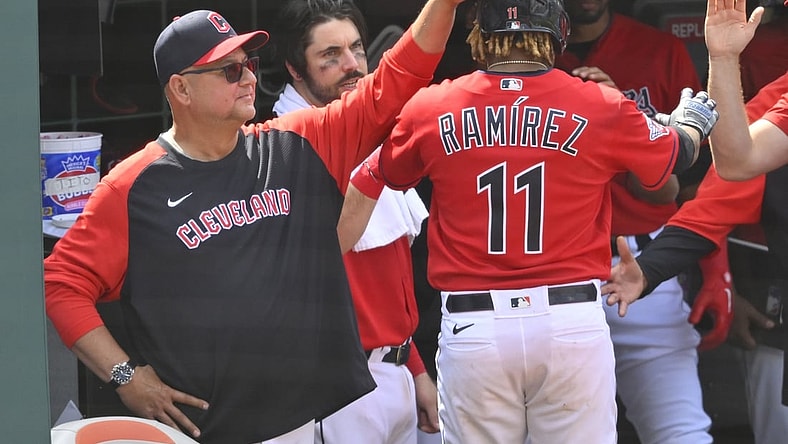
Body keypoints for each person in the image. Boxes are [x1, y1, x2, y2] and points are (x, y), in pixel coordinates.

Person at [43, 2, 464, 443]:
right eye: (228, 71)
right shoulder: (133, 186)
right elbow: (62, 283)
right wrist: (126, 377)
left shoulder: (293, 145)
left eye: (248, 65)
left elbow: (398, 78)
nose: (248, 79)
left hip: (297, 423)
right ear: (181, 89)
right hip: (204, 430)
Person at [341, 0, 718, 441]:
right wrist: (692, 122)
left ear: (479, 34)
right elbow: (678, 155)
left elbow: (371, 177)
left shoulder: (433, 105)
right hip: (570, 322)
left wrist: (334, 252)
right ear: (558, 31)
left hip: (474, 327)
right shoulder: (598, 102)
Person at [270, 1, 439, 442]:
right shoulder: (279, 151)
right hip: (338, 387)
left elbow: (387, 282)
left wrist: (414, 367)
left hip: (396, 372)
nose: (352, 66)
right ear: (295, 69)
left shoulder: (373, 133)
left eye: (357, 49)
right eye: (329, 56)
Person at [554, 1, 716, 441]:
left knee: (680, 432)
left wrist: (622, 115)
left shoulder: (659, 50)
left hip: (645, 262)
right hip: (551, 275)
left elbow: (681, 185)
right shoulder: (528, 63)